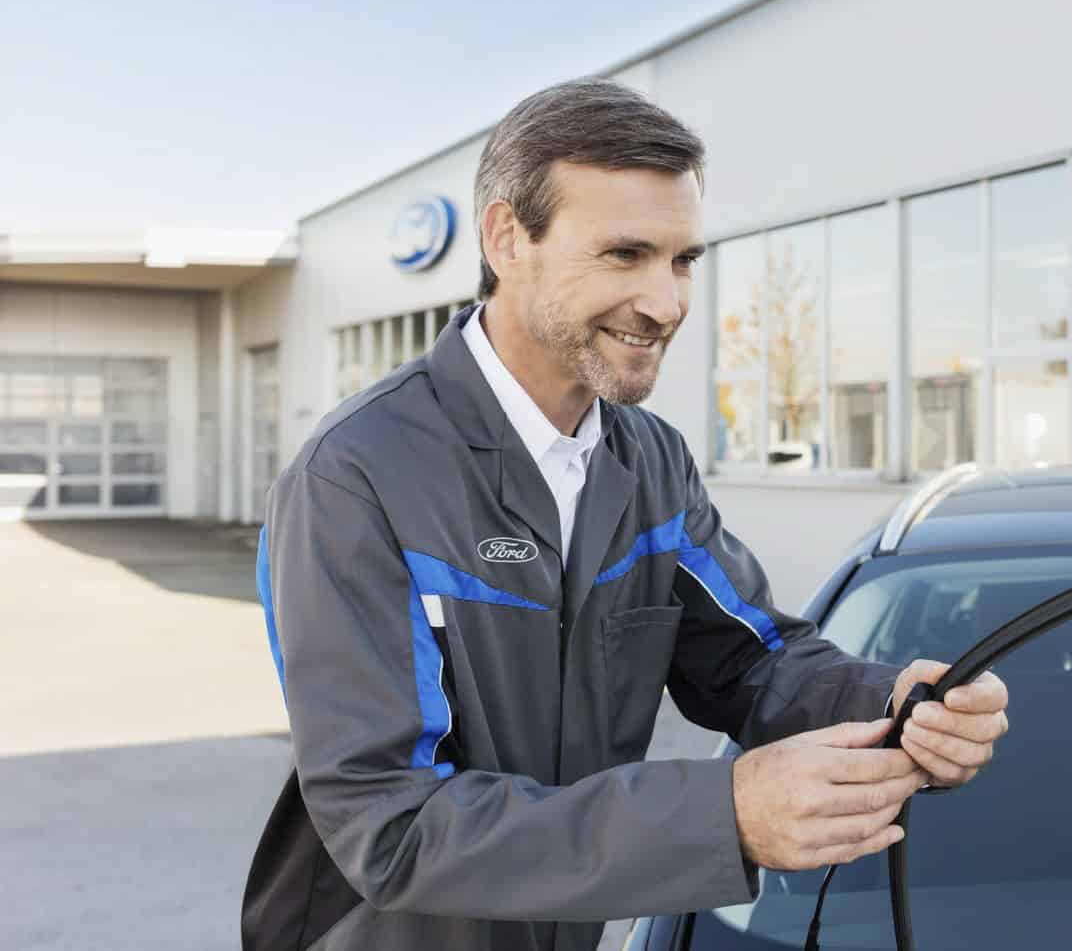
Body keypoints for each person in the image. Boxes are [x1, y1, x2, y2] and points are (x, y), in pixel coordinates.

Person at [243, 79, 1010, 951]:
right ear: (506, 239)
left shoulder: (649, 462)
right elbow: (391, 823)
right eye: (625, 254)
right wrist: (724, 814)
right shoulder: (356, 476)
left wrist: (898, 702)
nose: (667, 302)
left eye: (682, 260)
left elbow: (750, 660)